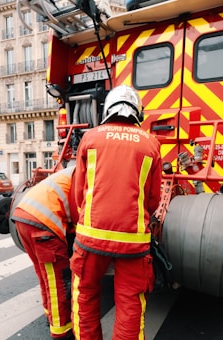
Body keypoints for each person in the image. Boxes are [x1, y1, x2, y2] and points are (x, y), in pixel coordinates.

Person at [71, 84, 162, 339]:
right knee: (131, 302)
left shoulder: (90, 138)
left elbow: (80, 192)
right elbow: (153, 199)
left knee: (86, 296)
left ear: (108, 109)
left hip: (90, 237)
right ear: (137, 112)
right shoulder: (151, 144)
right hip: (133, 242)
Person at [12, 166, 78, 340]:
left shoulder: (70, 173)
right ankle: (61, 330)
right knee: (59, 281)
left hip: (22, 217)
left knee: (44, 274)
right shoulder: (83, 176)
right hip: (44, 225)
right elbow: (79, 214)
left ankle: (50, 313)